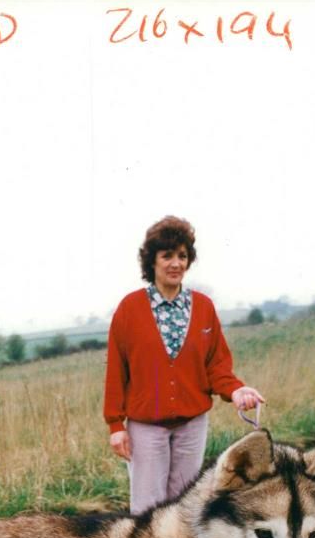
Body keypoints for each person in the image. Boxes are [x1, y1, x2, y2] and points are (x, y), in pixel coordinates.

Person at [103, 215, 264, 515]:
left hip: (192, 426)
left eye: (182, 256)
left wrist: (237, 391)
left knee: (186, 507)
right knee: (148, 511)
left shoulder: (203, 307)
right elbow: (116, 372)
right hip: (146, 429)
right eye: (167, 256)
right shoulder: (129, 309)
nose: (176, 263)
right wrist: (115, 424)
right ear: (152, 261)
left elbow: (216, 365)